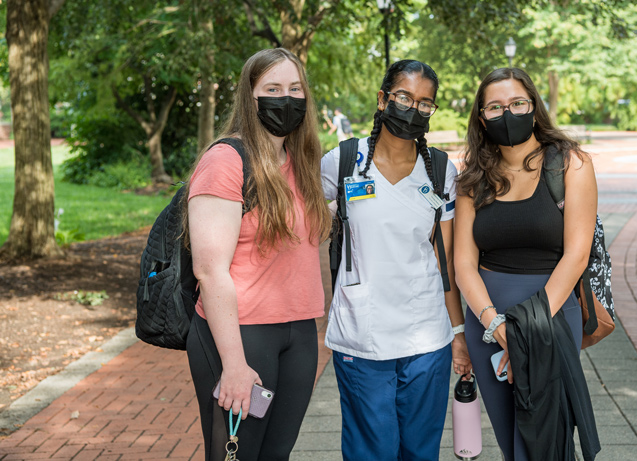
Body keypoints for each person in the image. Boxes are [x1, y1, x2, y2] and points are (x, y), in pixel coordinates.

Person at [183, 48, 331, 461]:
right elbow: (209, 271)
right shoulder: (225, 162)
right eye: (272, 89)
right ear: (250, 98)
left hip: (299, 333)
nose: (286, 99)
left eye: (295, 88)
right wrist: (234, 365)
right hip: (242, 336)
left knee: (275, 454)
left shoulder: (301, 161)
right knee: (236, 455)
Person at [321, 60, 471, 461]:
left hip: (426, 335)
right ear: (383, 99)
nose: (412, 109)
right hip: (361, 333)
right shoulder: (342, 162)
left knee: (420, 452)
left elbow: (447, 263)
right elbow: (299, 229)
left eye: (425, 103)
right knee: (372, 451)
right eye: (404, 97)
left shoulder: (440, 171)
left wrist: (458, 334)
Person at [454, 67, 599, 460]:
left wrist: (526, 329)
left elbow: (577, 254)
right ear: (481, 118)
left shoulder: (571, 165)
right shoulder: (471, 179)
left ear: (534, 107)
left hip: (550, 318)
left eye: (517, 103)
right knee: (510, 441)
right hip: (487, 325)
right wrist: (496, 324)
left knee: (544, 441)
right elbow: (464, 264)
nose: (508, 113)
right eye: (495, 107)